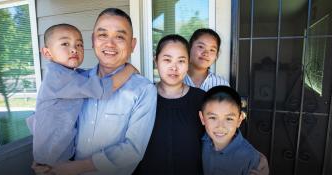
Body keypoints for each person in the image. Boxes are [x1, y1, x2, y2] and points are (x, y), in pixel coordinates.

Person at [33, 8, 157, 175]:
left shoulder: (143, 89)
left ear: (132, 45)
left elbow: (133, 150)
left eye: (120, 36)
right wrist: (44, 157)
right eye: (103, 35)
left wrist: (72, 168)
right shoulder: (74, 82)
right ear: (93, 40)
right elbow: (49, 119)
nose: (110, 44)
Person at [27, 23, 137, 168]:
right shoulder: (60, 78)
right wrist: (129, 69)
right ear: (47, 53)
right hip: (53, 157)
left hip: (54, 152)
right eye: (65, 44)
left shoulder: (69, 75)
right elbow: (101, 89)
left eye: (79, 45)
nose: (74, 49)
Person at [134, 34, 205, 175]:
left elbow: (221, 136)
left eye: (181, 61)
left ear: (188, 63)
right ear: (156, 61)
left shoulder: (201, 99)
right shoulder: (141, 97)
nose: (174, 67)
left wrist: (252, 159)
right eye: (167, 60)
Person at [199, 85, 269, 175]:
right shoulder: (197, 144)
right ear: (202, 118)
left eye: (229, 119)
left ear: (239, 120)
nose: (220, 126)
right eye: (213, 117)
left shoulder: (254, 161)